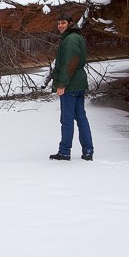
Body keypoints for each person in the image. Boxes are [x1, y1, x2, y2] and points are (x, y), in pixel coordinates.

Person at [50, 14, 93, 161]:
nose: (60, 26)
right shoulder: (75, 37)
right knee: (81, 118)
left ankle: (64, 152)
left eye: (63, 23)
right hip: (78, 84)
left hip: (71, 85)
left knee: (66, 119)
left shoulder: (70, 40)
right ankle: (88, 151)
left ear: (70, 24)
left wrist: (62, 84)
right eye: (58, 23)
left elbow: (71, 62)